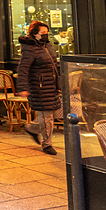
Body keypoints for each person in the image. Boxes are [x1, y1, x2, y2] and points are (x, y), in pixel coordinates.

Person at [17, 20, 61, 156]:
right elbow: (23, 69)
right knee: (47, 116)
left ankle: (33, 128)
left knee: (51, 113)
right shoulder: (30, 49)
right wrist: (23, 88)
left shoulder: (47, 46)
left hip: (51, 85)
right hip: (39, 87)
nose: (45, 35)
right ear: (35, 34)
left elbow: (54, 64)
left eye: (47, 33)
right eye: (43, 33)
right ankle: (47, 145)